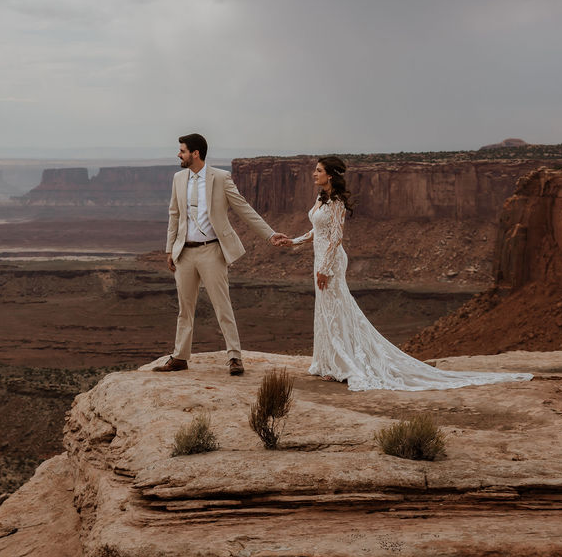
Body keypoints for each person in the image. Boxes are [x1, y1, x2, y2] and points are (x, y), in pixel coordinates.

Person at [278, 156, 532, 391]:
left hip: (330, 262)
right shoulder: (321, 199)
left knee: (335, 309)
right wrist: (293, 242)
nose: (314, 173)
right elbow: (317, 232)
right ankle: (327, 363)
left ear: (330, 175)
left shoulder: (337, 203)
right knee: (326, 309)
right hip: (320, 260)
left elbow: (336, 238)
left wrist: (324, 268)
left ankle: (342, 365)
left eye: (319, 170)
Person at [154, 133, 287, 376]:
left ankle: (234, 356)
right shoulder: (178, 178)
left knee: (221, 305)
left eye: (182, 151)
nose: (178, 154)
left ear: (195, 153)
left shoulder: (221, 178)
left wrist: (269, 234)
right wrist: (169, 249)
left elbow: (243, 208)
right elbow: (174, 214)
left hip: (211, 250)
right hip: (184, 252)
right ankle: (180, 357)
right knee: (185, 308)